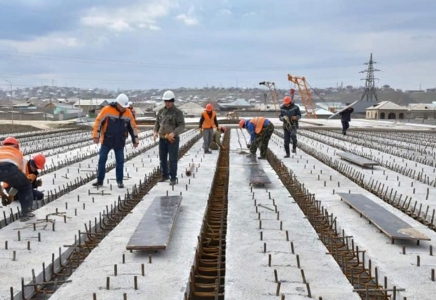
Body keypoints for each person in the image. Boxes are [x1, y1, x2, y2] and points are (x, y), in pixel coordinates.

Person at [92, 93, 139, 188]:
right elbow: (98, 122)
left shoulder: (128, 113)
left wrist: (135, 140)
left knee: (120, 161)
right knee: (102, 159)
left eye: (125, 107)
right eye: (122, 106)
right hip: (107, 140)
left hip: (120, 141)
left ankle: (120, 181)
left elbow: (133, 127)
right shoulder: (107, 110)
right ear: (118, 104)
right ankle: (100, 180)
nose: (124, 109)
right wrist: (96, 136)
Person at [153, 90, 185, 185]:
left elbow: (181, 125)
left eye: (169, 101)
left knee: (172, 159)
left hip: (172, 140)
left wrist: (174, 133)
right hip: (162, 138)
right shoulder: (161, 111)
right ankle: (165, 175)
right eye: (165, 101)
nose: (167, 103)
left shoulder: (177, 112)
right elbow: (157, 123)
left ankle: (173, 177)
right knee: (162, 158)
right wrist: (155, 131)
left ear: (173, 101)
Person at [0, 137, 35, 221]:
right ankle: (26, 213)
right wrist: (11, 195)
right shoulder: (18, 154)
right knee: (25, 186)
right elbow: (21, 182)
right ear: (17, 146)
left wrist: (3, 195)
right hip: (10, 168)